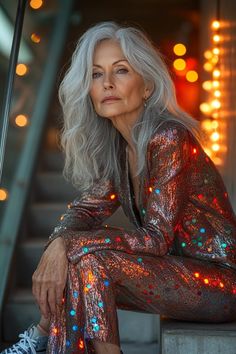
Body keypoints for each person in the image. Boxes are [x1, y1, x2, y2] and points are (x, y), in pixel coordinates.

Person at [2, 20, 236, 354]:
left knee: (91, 258)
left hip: (221, 283)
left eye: (121, 70)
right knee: (82, 259)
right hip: (177, 274)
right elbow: (85, 210)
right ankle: (43, 339)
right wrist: (58, 244)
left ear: (146, 86)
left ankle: (43, 338)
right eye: (96, 74)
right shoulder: (119, 147)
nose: (108, 83)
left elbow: (155, 240)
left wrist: (68, 243)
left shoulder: (169, 138)